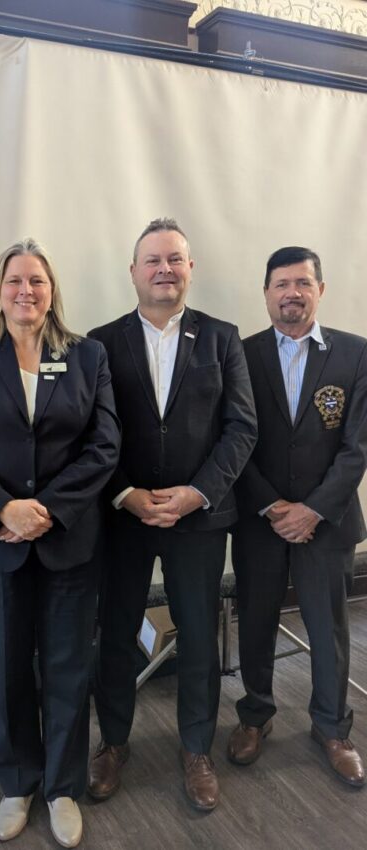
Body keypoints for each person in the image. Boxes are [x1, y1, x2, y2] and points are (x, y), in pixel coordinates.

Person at [0, 238, 120, 848]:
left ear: (52, 289)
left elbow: (104, 445)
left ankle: (63, 787)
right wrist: (3, 509)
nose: (25, 291)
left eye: (37, 280)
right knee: (10, 664)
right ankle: (17, 782)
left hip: (68, 539)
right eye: (14, 280)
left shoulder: (87, 355)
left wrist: (48, 511)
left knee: (68, 665)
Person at [87, 218, 257, 811]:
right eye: (153, 260)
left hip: (199, 518)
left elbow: (241, 428)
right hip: (124, 518)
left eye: (175, 259)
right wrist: (124, 493)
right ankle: (112, 743)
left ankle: (196, 749)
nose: (164, 269)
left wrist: (197, 493)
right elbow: (90, 433)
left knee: (200, 637)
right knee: (115, 634)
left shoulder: (222, 338)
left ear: (190, 269)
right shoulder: (100, 343)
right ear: (133, 271)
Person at [228, 246, 367, 787]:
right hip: (259, 520)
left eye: (303, 283)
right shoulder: (240, 355)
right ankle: (255, 715)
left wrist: (312, 510)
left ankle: (332, 727)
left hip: (327, 522)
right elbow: (234, 441)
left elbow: (356, 448)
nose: (292, 293)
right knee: (256, 620)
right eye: (281, 284)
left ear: (320, 291)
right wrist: (271, 505)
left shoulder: (356, 354)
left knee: (328, 627)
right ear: (266, 293)